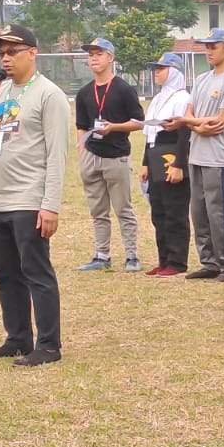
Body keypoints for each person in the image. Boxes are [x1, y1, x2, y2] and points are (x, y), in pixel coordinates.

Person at [0, 25, 69, 367]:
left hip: (28, 200)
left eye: (12, 51)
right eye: (1, 54)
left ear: (33, 53)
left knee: (36, 274)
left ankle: (49, 345)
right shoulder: (0, 92)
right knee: (6, 274)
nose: (5, 59)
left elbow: (57, 155)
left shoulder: (48, 95)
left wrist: (50, 205)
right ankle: (18, 338)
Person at [167, 27, 224, 282]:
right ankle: (209, 262)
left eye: (213, 46)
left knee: (219, 213)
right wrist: (197, 124)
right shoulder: (201, 80)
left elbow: (221, 121)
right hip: (196, 155)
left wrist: (192, 123)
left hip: (218, 158)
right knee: (199, 212)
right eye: (206, 46)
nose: (208, 51)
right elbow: (190, 115)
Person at [74, 37, 145, 273]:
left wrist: (114, 127)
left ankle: (132, 256)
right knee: (98, 211)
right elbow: (81, 125)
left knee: (123, 208)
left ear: (111, 58)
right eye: (91, 54)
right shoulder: (84, 93)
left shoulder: (124, 89)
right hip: (91, 156)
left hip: (117, 157)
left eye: (99, 53)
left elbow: (139, 122)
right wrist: (82, 151)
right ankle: (102, 255)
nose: (94, 58)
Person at [139, 54, 193, 277]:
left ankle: (177, 261)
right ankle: (164, 260)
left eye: (162, 69)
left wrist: (179, 165)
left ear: (175, 72)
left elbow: (184, 133)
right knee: (158, 211)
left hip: (172, 154)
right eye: (156, 69)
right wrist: (145, 163)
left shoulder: (182, 98)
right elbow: (150, 132)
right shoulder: (158, 98)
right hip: (155, 154)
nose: (157, 73)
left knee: (175, 211)